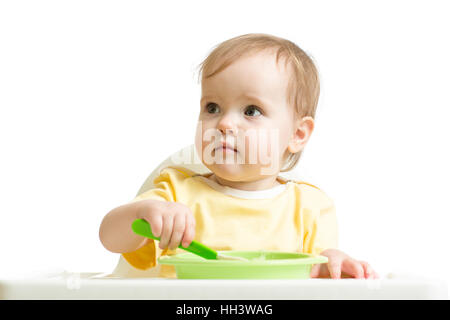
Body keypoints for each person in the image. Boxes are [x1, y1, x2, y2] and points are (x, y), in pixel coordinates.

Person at [99, 33, 378, 279]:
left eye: (251, 111)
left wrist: (334, 263)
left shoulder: (310, 208)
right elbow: (110, 237)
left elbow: (319, 276)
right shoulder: (176, 193)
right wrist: (146, 213)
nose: (224, 124)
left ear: (298, 134)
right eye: (212, 107)